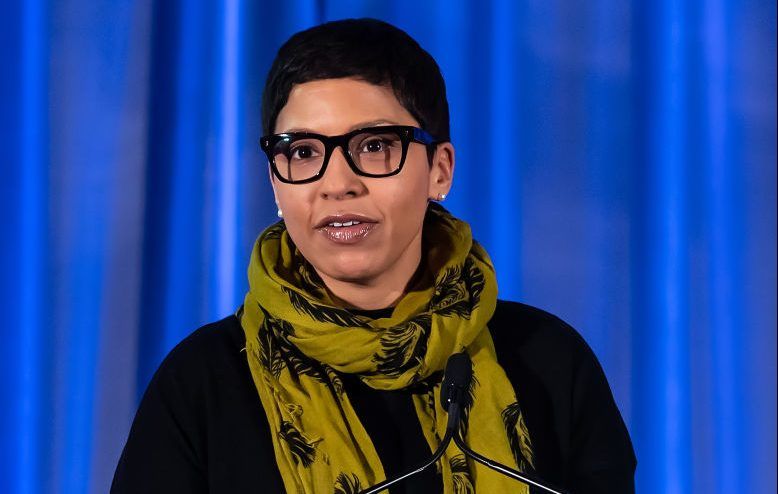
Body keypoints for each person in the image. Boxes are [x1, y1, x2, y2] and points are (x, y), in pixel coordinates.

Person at [112, 18, 636, 494]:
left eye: (375, 146)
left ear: (440, 170)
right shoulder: (203, 383)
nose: (337, 184)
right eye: (303, 152)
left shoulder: (549, 363)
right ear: (275, 180)